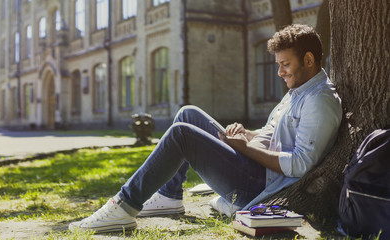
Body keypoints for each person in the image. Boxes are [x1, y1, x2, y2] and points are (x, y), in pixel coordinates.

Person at [68, 24, 342, 233]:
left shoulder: (319, 101)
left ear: (308, 60)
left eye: (285, 65)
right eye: (278, 65)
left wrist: (245, 148)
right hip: (256, 168)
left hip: (258, 187)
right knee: (189, 113)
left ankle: (124, 206)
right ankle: (169, 196)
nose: (280, 72)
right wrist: (247, 134)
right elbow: (276, 132)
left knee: (182, 134)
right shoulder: (300, 88)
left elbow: (300, 165)